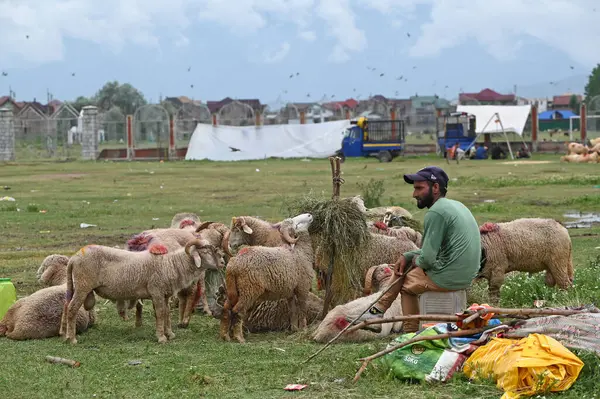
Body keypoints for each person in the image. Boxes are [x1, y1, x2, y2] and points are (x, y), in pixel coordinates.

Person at [350, 166, 482, 333]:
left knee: (405, 282)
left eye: (419, 188)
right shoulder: (455, 206)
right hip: (466, 274)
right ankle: (377, 314)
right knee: (407, 268)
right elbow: (435, 251)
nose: (414, 194)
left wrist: (413, 260)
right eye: (414, 188)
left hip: (450, 276)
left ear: (435, 188)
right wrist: (409, 255)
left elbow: (427, 260)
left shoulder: (436, 213)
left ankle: (406, 330)